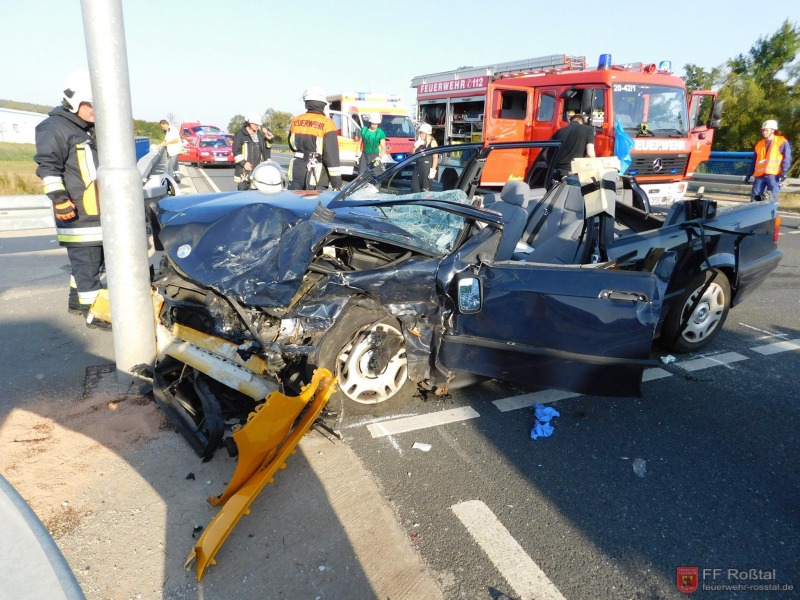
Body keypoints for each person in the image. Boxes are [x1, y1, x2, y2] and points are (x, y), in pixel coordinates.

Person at [34, 70, 110, 330]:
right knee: (88, 265)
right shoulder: (54, 128)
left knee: (89, 264)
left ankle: (77, 303)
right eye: (90, 104)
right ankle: (94, 314)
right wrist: (59, 199)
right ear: (74, 101)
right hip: (77, 213)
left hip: (94, 210)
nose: (95, 110)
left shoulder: (87, 127)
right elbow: (48, 168)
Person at [288, 88, 342, 191]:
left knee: (295, 200)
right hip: (316, 174)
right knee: (314, 201)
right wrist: (336, 182)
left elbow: (291, 145)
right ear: (323, 104)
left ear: (306, 103)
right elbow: (331, 155)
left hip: (295, 171)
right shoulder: (327, 123)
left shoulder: (296, 120)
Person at [745, 119, 792, 203]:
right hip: (760, 176)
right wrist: (749, 174)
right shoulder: (759, 144)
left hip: (773, 175)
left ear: (773, 130)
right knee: (755, 198)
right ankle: (758, 209)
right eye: (763, 130)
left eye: (766, 130)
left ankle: (769, 209)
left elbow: (787, 157)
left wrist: (784, 171)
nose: (764, 132)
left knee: (772, 196)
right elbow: (754, 160)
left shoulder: (781, 142)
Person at [549, 113, 596, 188]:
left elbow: (545, 152)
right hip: (573, 175)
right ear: (582, 122)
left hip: (554, 174)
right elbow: (590, 154)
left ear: (570, 121)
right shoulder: (588, 129)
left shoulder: (559, 131)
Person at [232, 112, 272, 190]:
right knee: (244, 196)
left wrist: (269, 140)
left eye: (258, 124)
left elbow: (266, 151)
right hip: (244, 174)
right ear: (249, 123)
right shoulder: (240, 134)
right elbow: (236, 152)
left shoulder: (260, 135)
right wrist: (244, 163)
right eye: (255, 124)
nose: (258, 126)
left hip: (258, 173)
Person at [410, 123, 438, 193]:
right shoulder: (418, 142)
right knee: (414, 189)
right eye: (420, 133)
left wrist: (433, 170)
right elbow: (412, 153)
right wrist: (416, 145)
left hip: (427, 169)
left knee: (425, 191)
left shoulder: (432, 142)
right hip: (417, 168)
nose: (420, 135)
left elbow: (435, 157)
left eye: (422, 133)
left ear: (427, 134)